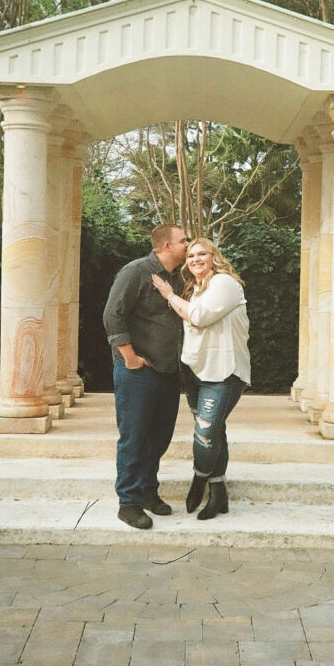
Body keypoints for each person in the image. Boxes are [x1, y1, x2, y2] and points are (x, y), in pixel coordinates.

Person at [152, 237, 250, 520]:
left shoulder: (224, 283)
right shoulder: (195, 289)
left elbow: (200, 317)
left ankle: (199, 478)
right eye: (191, 255)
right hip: (196, 371)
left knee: (205, 435)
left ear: (214, 256)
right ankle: (218, 493)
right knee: (215, 430)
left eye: (202, 253)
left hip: (224, 372)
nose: (195, 259)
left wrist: (169, 295)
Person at [103, 224, 188, 529]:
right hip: (138, 372)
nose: (187, 245)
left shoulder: (178, 278)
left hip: (168, 371)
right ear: (166, 245)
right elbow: (113, 315)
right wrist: (130, 358)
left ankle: (149, 493)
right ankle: (128, 502)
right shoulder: (136, 271)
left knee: (158, 438)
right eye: (183, 241)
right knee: (134, 437)